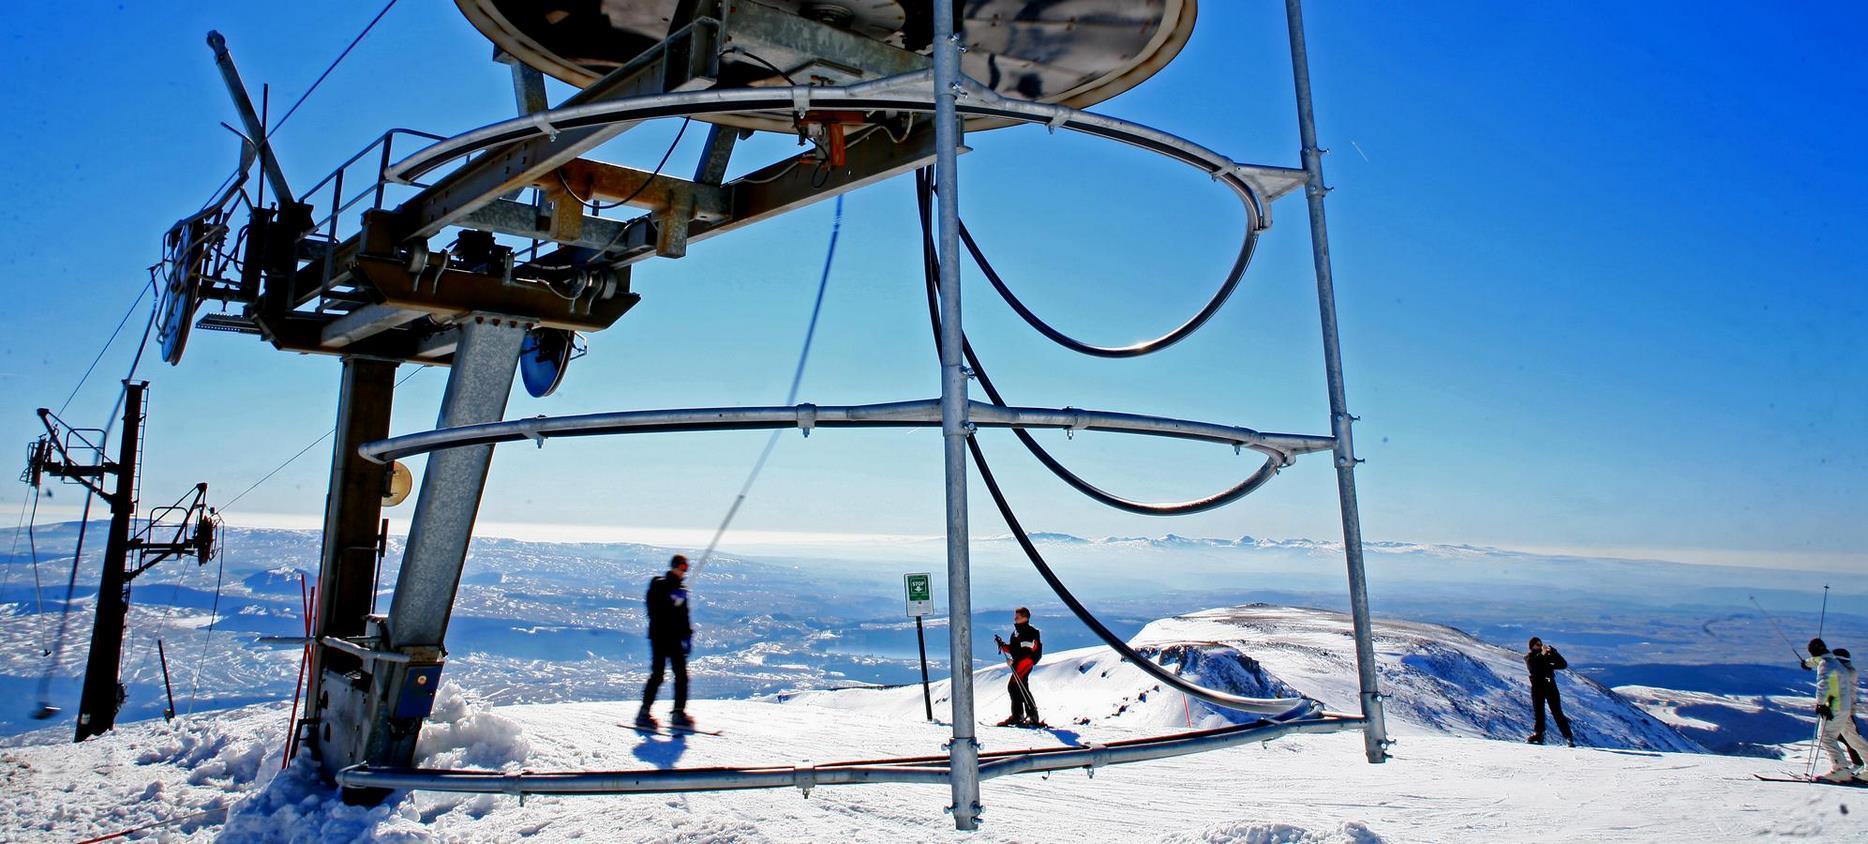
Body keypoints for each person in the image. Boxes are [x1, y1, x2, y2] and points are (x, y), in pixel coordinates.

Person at [637, 555, 694, 728]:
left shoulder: (681, 590)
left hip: (676, 639)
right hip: (660, 637)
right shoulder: (659, 584)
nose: (684, 571)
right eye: (681, 567)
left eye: (686, 567)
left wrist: (688, 636)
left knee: (682, 676)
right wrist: (672, 599)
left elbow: (684, 617)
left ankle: (678, 713)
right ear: (674, 567)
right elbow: (654, 610)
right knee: (658, 675)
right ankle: (644, 713)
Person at [1801, 638, 1868, 782]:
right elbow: (1822, 660)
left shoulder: (1829, 665)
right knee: (1852, 738)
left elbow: (1824, 685)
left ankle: (1840, 769)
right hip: (1844, 707)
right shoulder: (1838, 665)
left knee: (1825, 736)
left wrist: (1821, 704)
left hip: (1835, 706)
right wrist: (1808, 663)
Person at [993, 607, 1043, 727]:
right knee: (1021, 687)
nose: (1015, 619)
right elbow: (1016, 649)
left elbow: (1026, 650)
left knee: (1014, 686)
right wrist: (1003, 646)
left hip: (1024, 662)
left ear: (1025, 618)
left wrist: (1013, 661)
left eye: (1017, 617)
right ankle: (1031, 715)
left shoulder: (1027, 632)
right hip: (1023, 661)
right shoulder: (1019, 631)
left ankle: (1018, 716)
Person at [1525, 637, 1576, 747]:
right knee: (1539, 712)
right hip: (1537, 688)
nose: (1540, 646)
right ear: (1532, 646)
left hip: (1550, 686)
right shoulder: (1530, 657)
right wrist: (1543, 655)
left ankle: (1568, 736)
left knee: (1557, 712)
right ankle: (1539, 734)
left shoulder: (1547, 657)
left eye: (1540, 644)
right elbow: (1533, 667)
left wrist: (1554, 652)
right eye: (1537, 644)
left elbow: (1563, 664)